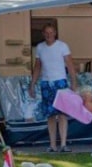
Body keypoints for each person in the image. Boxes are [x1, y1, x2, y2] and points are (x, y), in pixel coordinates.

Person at [29, 23, 77, 153]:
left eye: (51, 32)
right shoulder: (40, 47)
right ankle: (52, 145)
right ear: (43, 34)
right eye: (46, 32)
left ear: (55, 33)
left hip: (60, 82)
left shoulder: (62, 46)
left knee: (62, 114)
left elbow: (70, 65)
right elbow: (37, 66)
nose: (49, 35)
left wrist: (73, 82)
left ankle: (63, 144)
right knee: (50, 115)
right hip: (46, 82)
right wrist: (32, 84)